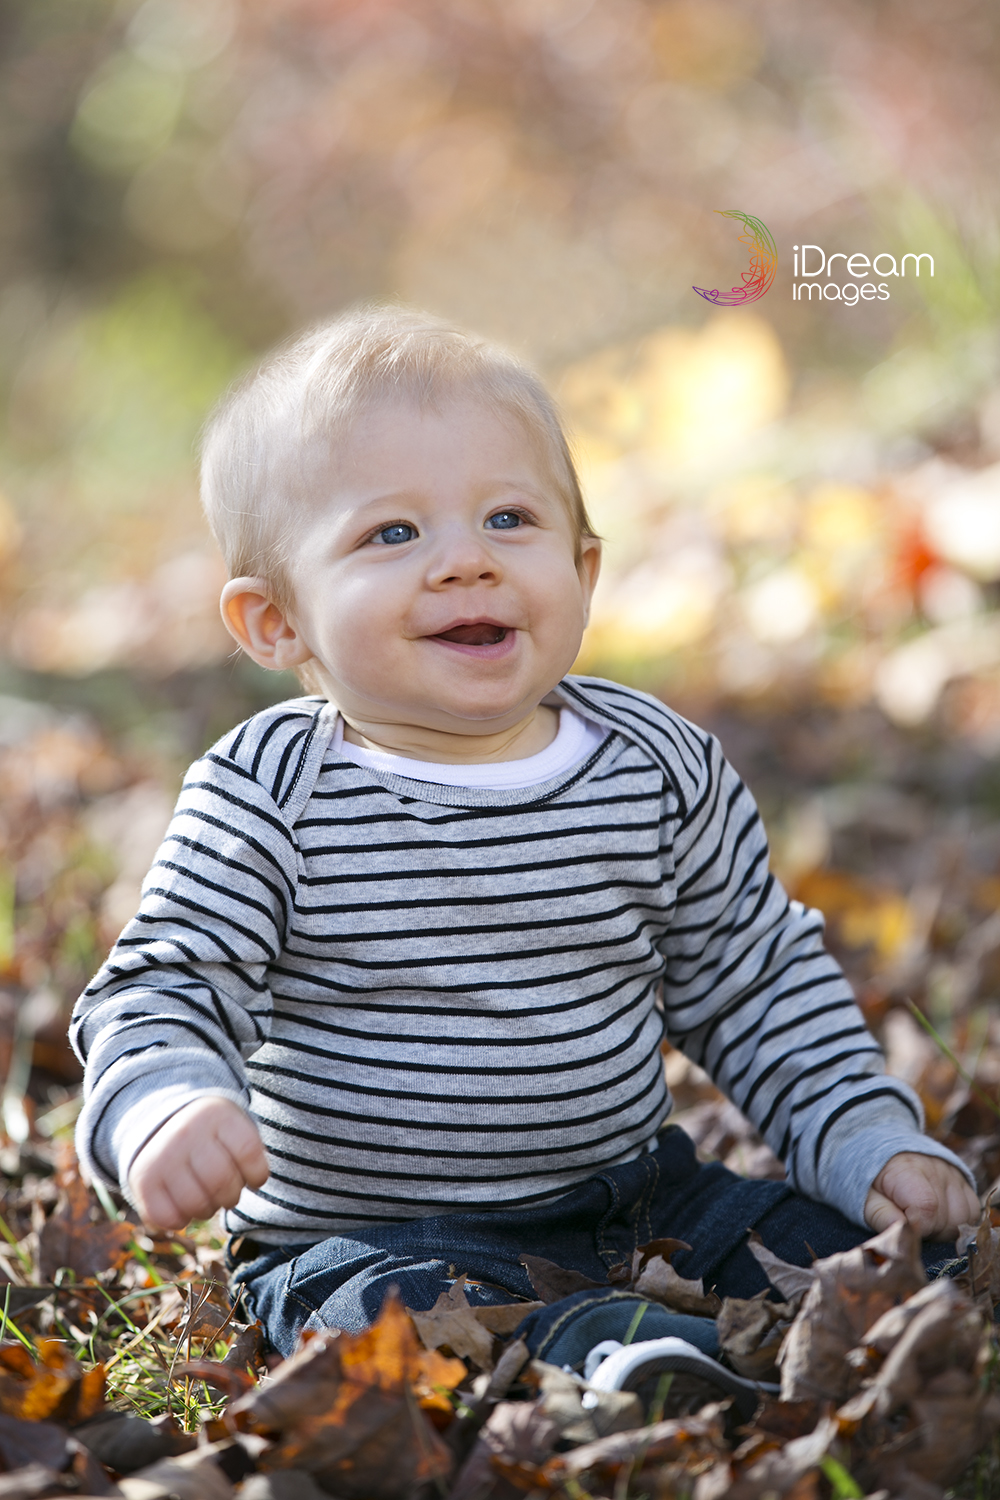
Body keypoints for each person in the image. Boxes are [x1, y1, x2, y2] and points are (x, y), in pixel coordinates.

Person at [71, 307, 978, 1379]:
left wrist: (863, 1135)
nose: (466, 563)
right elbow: (162, 986)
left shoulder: (655, 765)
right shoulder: (269, 791)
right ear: (277, 622)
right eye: (392, 534)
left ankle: (827, 1329)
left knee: (865, 1257)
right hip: (373, 1231)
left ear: (583, 571)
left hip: (634, 1195)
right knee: (382, 1320)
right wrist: (167, 1101)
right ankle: (606, 1359)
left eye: (509, 519)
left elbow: (753, 982)